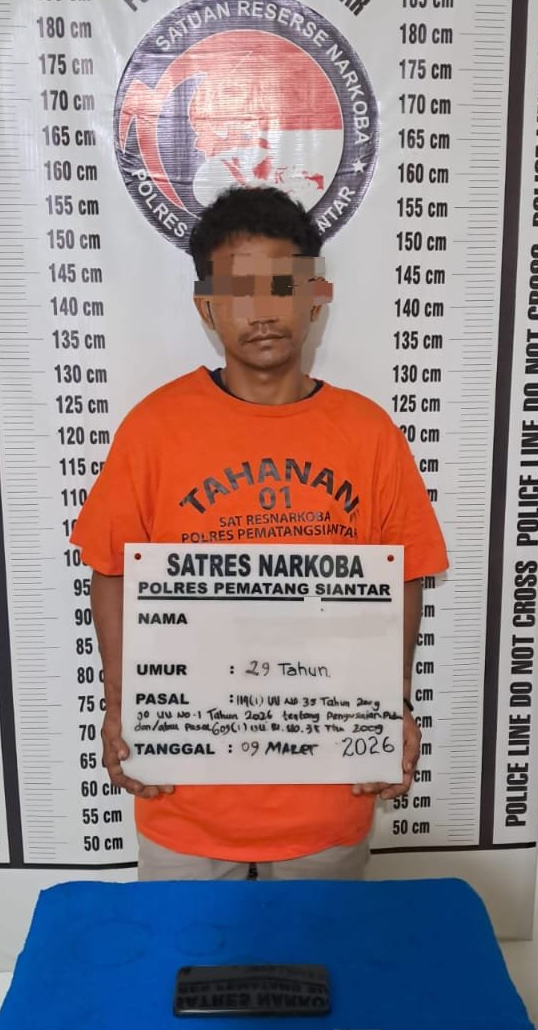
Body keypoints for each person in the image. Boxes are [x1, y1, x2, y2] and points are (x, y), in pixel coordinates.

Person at [69, 185, 448, 881]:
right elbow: (111, 570)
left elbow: (401, 578)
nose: (264, 311)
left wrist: (392, 703)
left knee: (320, 951)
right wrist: (119, 702)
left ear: (315, 296)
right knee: (184, 952)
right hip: (182, 791)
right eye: (238, 291)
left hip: (328, 791)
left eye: (282, 285)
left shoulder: (368, 434)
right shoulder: (154, 429)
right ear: (206, 307)